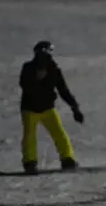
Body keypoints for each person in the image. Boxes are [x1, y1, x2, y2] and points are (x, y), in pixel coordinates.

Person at [19, 41, 84, 174]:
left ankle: (67, 159)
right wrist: (36, 80)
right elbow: (24, 85)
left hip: (47, 108)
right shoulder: (29, 68)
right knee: (30, 136)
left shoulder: (54, 70)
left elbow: (63, 90)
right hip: (30, 108)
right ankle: (30, 162)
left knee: (58, 133)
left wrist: (74, 107)